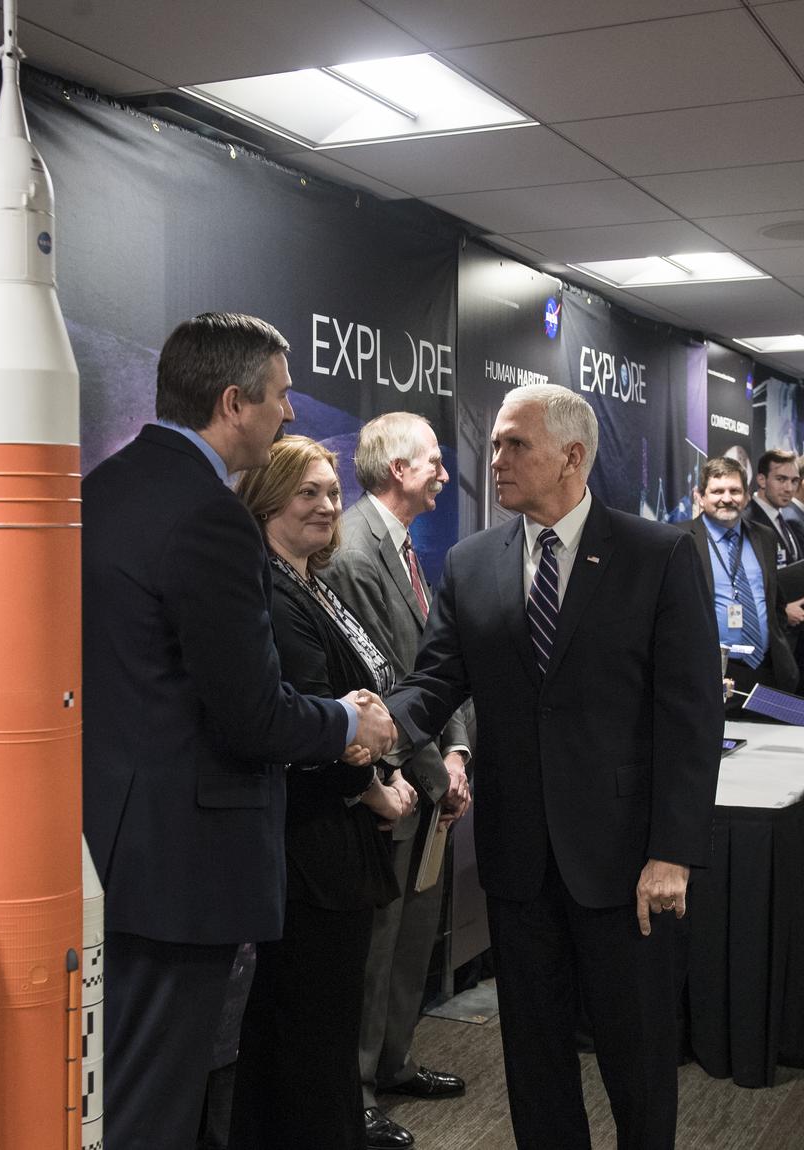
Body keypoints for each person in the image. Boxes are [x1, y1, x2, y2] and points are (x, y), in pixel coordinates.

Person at [81, 312, 397, 1150]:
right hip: (180, 868)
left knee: (120, 1093)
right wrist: (343, 722)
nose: (290, 413)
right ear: (233, 402)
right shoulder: (211, 516)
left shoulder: (102, 490)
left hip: (112, 855)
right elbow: (251, 711)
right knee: (152, 1110)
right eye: (282, 396)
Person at [382, 384, 723, 1150]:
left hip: (628, 865)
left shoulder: (658, 555)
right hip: (519, 863)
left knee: (636, 1064)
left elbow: (691, 717)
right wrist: (370, 729)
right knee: (534, 1064)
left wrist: (672, 852)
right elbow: (435, 682)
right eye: (495, 443)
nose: (494, 460)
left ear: (572, 456)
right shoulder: (473, 564)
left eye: (513, 445)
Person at [227, 435, 415, 1150]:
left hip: (339, 849)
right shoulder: (274, 592)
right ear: (268, 498)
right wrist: (370, 781)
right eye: (308, 492)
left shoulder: (316, 584)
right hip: (307, 850)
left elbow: (366, 703)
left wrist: (372, 742)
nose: (327, 506)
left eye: (332, 493)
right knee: (303, 1036)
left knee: (322, 1032)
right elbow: (307, 720)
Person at [328, 412, 471, 1149]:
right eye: (435, 463)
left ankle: (392, 1062)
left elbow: (436, 667)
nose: (447, 474)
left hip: (426, 778)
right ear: (397, 470)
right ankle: (352, 1092)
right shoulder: (351, 552)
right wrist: (430, 772)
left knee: (413, 937)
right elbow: (376, 683)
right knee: (374, 948)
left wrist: (458, 756)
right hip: (384, 787)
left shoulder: (406, 546)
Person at [684, 456, 799, 709]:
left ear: (746, 496)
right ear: (699, 496)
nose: (727, 498)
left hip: (767, 672)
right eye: (717, 491)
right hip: (711, 675)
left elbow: (774, 604)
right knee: (720, 746)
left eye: (735, 490)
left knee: (769, 743)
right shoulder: (678, 539)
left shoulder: (764, 536)